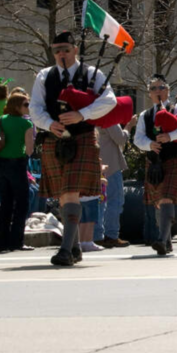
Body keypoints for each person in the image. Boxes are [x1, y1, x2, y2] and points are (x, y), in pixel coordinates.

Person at [30, 31, 117, 266]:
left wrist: (82, 115)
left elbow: (110, 100)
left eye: (66, 49)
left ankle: (66, 250)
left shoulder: (91, 73)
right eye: (57, 50)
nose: (61, 54)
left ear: (75, 50)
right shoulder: (44, 76)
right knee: (63, 195)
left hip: (83, 137)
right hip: (54, 139)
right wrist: (50, 124)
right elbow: (35, 108)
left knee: (69, 192)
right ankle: (75, 247)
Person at [133, 74, 177, 256]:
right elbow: (138, 139)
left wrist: (171, 136)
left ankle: (161, 239)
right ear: (149, 93)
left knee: (166, 199)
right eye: (153, 88)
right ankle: (166, 240)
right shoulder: (145, 115)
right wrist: (149, 145)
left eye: (161, 87)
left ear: (168, 90)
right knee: (158, 203)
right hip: (154, 163)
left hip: (174, 159)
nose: (157, 91)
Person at [0, 91, 34, 252]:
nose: (28, 107)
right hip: (17, 164)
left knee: (6, 203)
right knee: (22, 203)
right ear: (17, 106)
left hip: (0, 165)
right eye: (26, 104)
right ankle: (16, 241)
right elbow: (30, 150)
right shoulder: (27, 124)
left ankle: (2, 243)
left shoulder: (1, 120)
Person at [96, 123, 130, 248]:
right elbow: (121, 138)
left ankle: (97, 235)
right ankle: (111, 235)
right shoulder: (108, 116)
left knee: (98, 201)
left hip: (97, 162)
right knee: (114, 201)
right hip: (111, 164)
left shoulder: (89, 112)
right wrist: (129, 127)